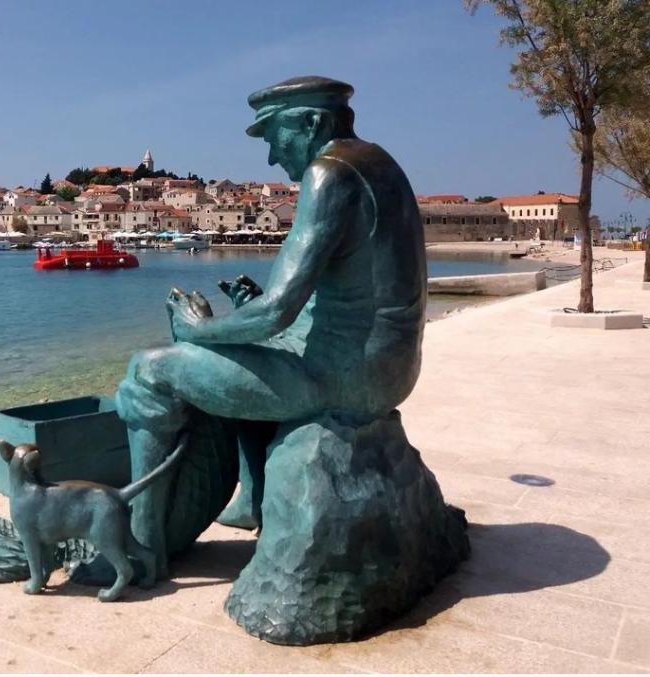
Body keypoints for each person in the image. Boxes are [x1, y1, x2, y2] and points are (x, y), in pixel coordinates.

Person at [115, 76, 428, 577]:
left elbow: (275, 313)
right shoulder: (380, 164)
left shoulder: (329, 174)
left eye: (275, 139)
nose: (271, 158)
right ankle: (254, 497)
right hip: (389, 368)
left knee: (148, 369)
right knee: (239, 348)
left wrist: (196, 329)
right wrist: (250, 314)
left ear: (312, 123)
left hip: (344, 376)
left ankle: (142, 545)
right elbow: (345, 291)